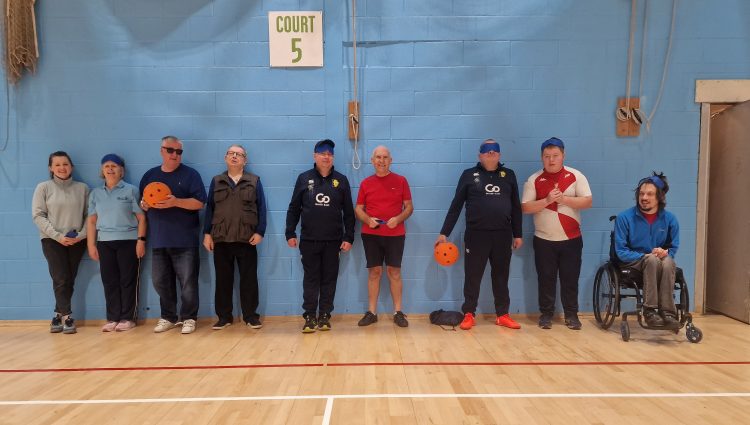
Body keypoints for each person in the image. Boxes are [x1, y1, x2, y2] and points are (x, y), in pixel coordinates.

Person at [436, 139, 523, 330]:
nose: (491, 153)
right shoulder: (469, 175)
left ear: (499, 155)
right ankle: (469, 313)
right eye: (487, 151)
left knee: (501, 276)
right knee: (472, 276)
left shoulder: (509, 175)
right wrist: (444, 232)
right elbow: (456, 206)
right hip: (476, 235)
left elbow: (516, 207)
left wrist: (518, 234)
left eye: (494, 151)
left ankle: (502, 314)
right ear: (480, 155)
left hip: (502, 234)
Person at [521, 137, 592, 330]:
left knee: (570, 279)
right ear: (541, 157)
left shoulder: (576, 176)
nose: (551, 160)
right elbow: (525, 207)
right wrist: (546, 200)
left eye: (555, 156)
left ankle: (571, 315)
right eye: (547, 156)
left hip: (571, 240)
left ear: (563, 155)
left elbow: (587, 202)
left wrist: (565, 200)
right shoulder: (534, 179)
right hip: (544, 240)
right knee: (546, 278)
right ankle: (546, 315)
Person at [285, 139, 355, 333]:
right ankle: (309, 316)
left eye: (330, 154)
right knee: (311, 279)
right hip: (309, 240)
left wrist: (349, 237)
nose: (326, 157)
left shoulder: (341, 180)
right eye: (322, 153)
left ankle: (324, 315)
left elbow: (348, 212)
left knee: (329, 279)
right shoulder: (303, 178)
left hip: (333, 242)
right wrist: (290, 232)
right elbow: (294, 208)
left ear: (333, 157)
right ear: (315, 156)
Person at [139, 136, 206, 334]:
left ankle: (189, 318)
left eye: (179, 152)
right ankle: (168, 316)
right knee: (160, 281)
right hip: (159, 240)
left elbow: (199, 203)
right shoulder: (150, 175)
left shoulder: (191, 175)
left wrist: (176, 202)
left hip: (185, 240)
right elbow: (143, 203)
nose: (174, 155)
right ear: (161, 150)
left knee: (188, 283)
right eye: (170, 150)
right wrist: (144, 205)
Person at [203, 145, 267, 331]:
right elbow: (210, 209)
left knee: (249, 280)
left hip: (247, 239)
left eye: (239, 155)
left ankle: (251, 316)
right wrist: (207, 234)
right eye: (231, 153)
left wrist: (260, 232)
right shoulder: (217, 181)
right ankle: (224, 317)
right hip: (221, 238)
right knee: (223, 280)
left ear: (244, 161)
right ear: (225, 158)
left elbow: (261, 208)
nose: (234, 157)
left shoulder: (254, 181)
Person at [354, 146, 414, 328]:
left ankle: (398, 312)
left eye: (385, 157)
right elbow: (358, 209)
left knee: (394, 272)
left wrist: (398, 218)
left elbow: (409, 207)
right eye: (378, 157)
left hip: (395, 234)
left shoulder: (401, 181)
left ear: (391, 160)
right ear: (372, 161)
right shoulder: (365, 183)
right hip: (371, 234)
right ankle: (372, 312)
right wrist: (367, 219)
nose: (381, 160)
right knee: (374, 272)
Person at [87, 154, 147, 332]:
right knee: (109, 281)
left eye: (114, 166)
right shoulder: (96, 193)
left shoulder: (131, 190)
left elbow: (142, 218)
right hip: (104, 242)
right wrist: (91, 245)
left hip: (128, 241)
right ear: (102, 171)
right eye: (107, 166)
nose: (110, 169)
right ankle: (113, 317)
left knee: (127, 280)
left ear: (122, 171)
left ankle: (128, 318)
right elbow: (91, 221)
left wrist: (140, 241)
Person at [32, 151, 89, 334]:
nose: (62, 168)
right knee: (60, 278)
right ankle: (67, 317)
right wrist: (57, 236)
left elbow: (90, 216)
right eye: (57, 165)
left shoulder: (82, 188)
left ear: (71, 166)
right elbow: (38, 215)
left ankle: (57, 314)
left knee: (69, 279)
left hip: (76, 241)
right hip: (51, 240)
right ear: (51, 168)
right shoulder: (43, 187)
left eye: (65, 164)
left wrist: (80, 235)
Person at [615, 172, 680, 328]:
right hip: (633, 263)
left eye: (650, 194)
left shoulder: (670, 219)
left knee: (669, 261)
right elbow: (621, 251)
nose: (644, 197)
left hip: (659, 261)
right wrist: (645, 255)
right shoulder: (624, 217)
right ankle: (649, 310)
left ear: (659, 197)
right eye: (642, 194)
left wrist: (666, 253)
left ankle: (669, 312)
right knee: (652, 259)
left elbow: (673, 247)